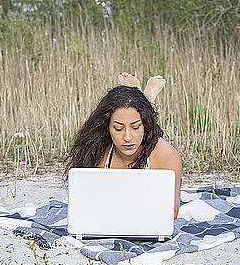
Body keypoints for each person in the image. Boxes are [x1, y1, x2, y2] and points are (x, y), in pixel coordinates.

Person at [66, 74, 182, 218]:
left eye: (135, 127)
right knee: (132, 114)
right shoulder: (95, 149)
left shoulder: (166, 155)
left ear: (145, 126)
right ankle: (143, 99)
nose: (127, 138)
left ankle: (147, 98)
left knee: (141, 114)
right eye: (118, 129)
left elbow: (172, 213)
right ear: (107, 127)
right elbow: (84, 205)